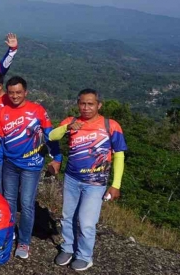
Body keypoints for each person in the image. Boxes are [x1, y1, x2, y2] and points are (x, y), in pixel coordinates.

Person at [49, 89, 127, 271]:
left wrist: (116, 185)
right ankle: (68, 248)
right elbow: (52, 136)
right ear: (78, 104)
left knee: (86, 221)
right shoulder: (72, 122)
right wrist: (67, 128)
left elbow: (120, 156)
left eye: (90, 104)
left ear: (99, 105)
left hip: (96, 183)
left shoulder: (111, 125)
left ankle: (85, 255)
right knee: (68, 217)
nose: (86, 108)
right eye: (82, 103)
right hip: (72, 178)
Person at [0, 76, 61, 259]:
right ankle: (9, 233)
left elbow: (49, 135)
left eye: (18, 92)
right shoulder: (3, 112)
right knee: (9, 201)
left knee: (27, 204)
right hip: (10, 164)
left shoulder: (37, 110)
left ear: (25, 92)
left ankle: (24, 242)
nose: (15, 96)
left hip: (32, 165)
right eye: (12, 92)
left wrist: (57, 158)